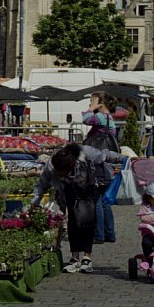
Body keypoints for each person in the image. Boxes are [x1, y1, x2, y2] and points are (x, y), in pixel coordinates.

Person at [29, 142, 124, 274]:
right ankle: (74, 258)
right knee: (73, 223)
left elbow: (105, 155)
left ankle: (87, 257)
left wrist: (125, 159)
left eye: (63, 174)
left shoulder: (85, 154)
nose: (60, 176)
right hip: (68, 193)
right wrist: (33, 204)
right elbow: (41, 185)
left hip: (88, 190)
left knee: (87, 222)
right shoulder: (52, 166)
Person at [82, 93, 119, 244]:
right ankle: (109, 233)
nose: (90, 103)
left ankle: (99, 234)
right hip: (107, 163)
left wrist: (92, 107)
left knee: (96, 199)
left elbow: (85, 119)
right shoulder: (110, 119)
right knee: (104, 201)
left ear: (100, 103)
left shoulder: (102, 117)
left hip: (99, 163)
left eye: (93, 100)